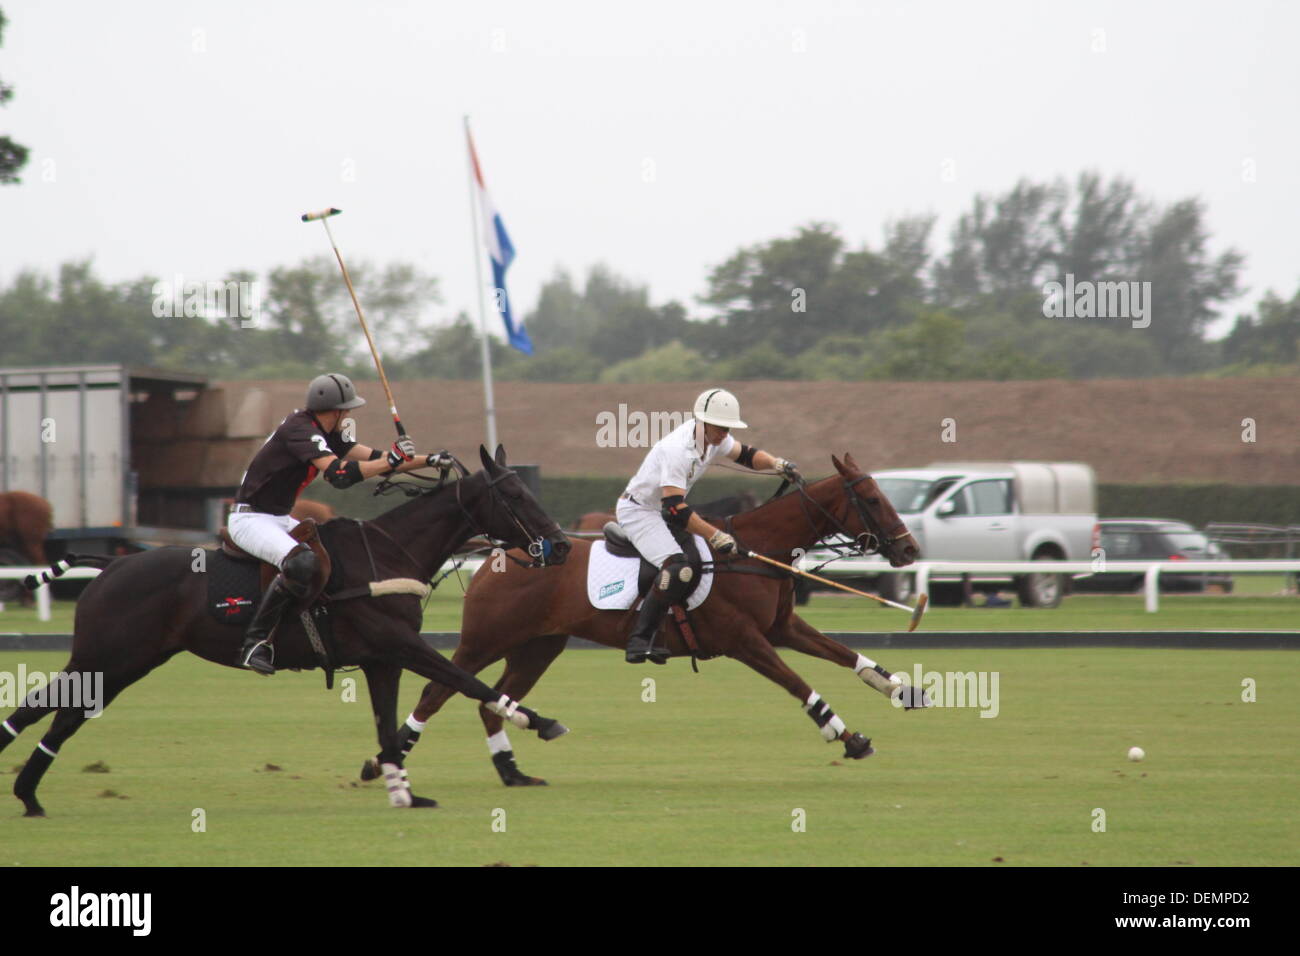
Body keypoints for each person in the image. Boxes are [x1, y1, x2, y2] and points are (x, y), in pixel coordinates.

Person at [229, 373, 448, 675]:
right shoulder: (301, 430)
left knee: (328, 560)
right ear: (337, 410)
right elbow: (340, 475)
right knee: (302, 563)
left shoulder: (326, 432)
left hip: (277, 518)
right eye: (347, 411)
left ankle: (304, 636)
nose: (348, 416)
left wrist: (431, 459)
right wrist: (393, 461)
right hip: (251, 518)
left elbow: (375, 458)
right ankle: (255, 643)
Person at [616, 387, 801, 664]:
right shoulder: (676, 449)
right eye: (720, 427)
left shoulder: (714, 438)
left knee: (700, 562)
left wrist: (777, 464)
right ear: (702, 420)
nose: (725, 433)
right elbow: (676, 508)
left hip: (662, 511)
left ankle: (683, 630)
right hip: (639, 511)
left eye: (728, 428)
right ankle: (640, 640)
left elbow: (747, 455)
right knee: (678, 568)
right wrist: (715, 535)